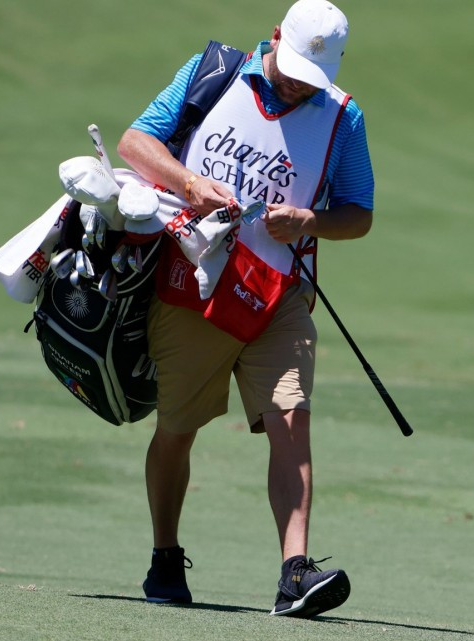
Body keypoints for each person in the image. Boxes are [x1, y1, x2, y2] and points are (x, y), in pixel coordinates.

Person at [116, 0, 373, 618]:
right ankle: (165, 555)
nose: (293, 83)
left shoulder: (344, 117)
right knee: (176, 432)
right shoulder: (215, 71)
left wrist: (307, 221)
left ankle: (294, 574)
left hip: (280, 294)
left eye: (309, 78)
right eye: (289, 67)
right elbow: (134, 143)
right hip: (192, 284)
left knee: (292, 422)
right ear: (275, 37)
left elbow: (358, 215)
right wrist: (189, 184)